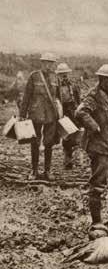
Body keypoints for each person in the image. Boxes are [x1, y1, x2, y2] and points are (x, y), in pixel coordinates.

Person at [75, 64, 108, 239]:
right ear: (103, 80)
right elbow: (80, 112)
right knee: (98, 185)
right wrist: (94, 127)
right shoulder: (94, 95)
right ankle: (96, 222)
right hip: (99, 148)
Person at [19, 52, 59, 180]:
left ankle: (47, 171)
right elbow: (26, 97)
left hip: (51, 115)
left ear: (53, 65)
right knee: (35, 142)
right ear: (42, 63)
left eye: (51, 63)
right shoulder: (34, 76)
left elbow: (59, 98)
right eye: (46, 62)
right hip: (36, 114)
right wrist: (22, 114)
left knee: (49, 143)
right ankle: (34, 170)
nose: (48, 65)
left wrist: (60, 114)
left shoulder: (55, 78)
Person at [56, 62, 81, 169]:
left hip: (72, 111)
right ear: (58, 75)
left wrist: (78, 111)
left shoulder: (73, 85)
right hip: (62, 112)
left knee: (75, 134)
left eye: (65, 73)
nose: (64, 76)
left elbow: (78, 99)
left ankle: (76, 159)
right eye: (62, 74)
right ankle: (67, 160)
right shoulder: (55, 87)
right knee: (65, 137)